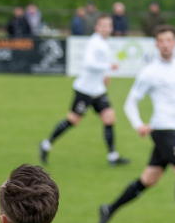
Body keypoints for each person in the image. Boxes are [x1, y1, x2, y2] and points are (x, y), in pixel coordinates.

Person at [98, 25, 175, 223]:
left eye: (169, 40)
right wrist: (138, 124)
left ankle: (108, 209)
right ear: (156, 44)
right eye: (161, 41)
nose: (165, 44)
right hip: (163, 130)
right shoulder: (150, 72)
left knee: (148, 179)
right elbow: (131, 102)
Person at [38, 13, 129, 167]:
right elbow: (89, 63)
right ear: (97, 27)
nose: (107, 28)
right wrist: (108, 66)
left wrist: (104, 75)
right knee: (73, 120)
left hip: (98, 90)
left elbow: (98, 64)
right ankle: (46, 144)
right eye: (103, 25)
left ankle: (113, 157)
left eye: (109, 25)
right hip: (85, 90)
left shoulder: (104, 42)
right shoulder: (94, 42)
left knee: (109, 118)